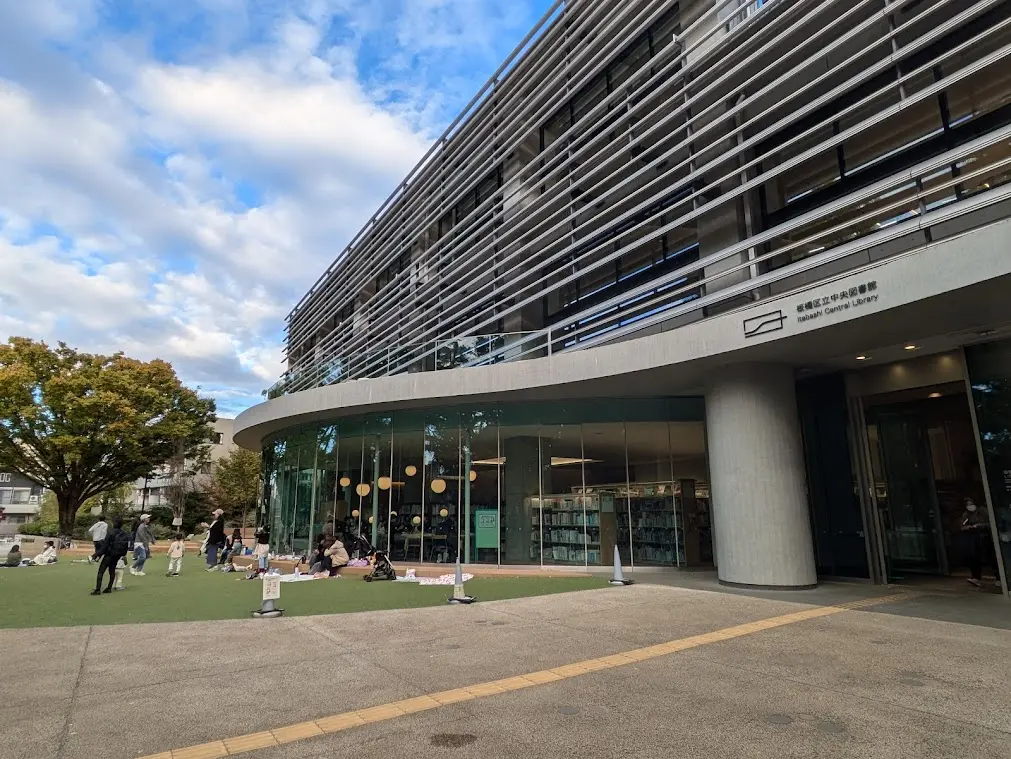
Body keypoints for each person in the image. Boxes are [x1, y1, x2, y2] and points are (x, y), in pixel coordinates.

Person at [961, 498, 994, 587]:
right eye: (968, 504)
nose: (970, 506)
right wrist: (970, 527)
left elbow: (990, 522)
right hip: (974, 537)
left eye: (971, 504)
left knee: (991, 556)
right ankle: (976, 577)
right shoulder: (966, 514)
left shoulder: (982, 511)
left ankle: (999, 577)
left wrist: (981, 525)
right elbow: (962, 526)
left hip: (986, 536)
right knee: (974, 557)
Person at [93, 517, 130, 595]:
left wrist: (97, 554)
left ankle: (98, 589)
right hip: (117, 555)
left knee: (101, 572)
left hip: (109, 554)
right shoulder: (123, 533)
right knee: (112, 571)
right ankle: (109, 588)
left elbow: (105, 546)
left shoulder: (110, 532)